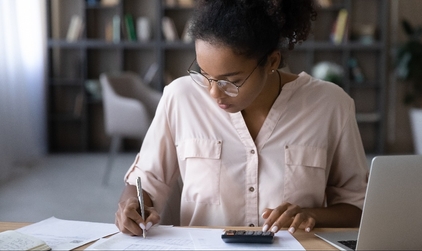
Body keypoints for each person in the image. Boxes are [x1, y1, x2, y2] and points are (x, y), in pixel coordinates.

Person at [115, 0, 369, 237]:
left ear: (272, 61)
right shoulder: (180, 98)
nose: (214, 93)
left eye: (231, 81)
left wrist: (311, 215)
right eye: (204, 74)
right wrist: (132, 206)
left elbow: (357, 207)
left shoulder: (330, 105)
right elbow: (145, 182)